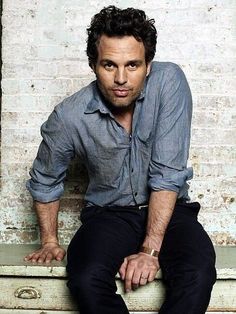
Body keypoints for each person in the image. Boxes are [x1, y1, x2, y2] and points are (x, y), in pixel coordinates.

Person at [25, 5, 216, 314]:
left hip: (171, 210)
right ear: (93, 64)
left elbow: (167, 174)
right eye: (109, 65)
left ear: (148, 65)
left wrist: (150, 250)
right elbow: (46, 180)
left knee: (198, 274)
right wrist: (49, 240)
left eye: (133, 65)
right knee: (85, 278)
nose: (121, 78)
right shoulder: (69, 116)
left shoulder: (169, 82)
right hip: (108, 215)